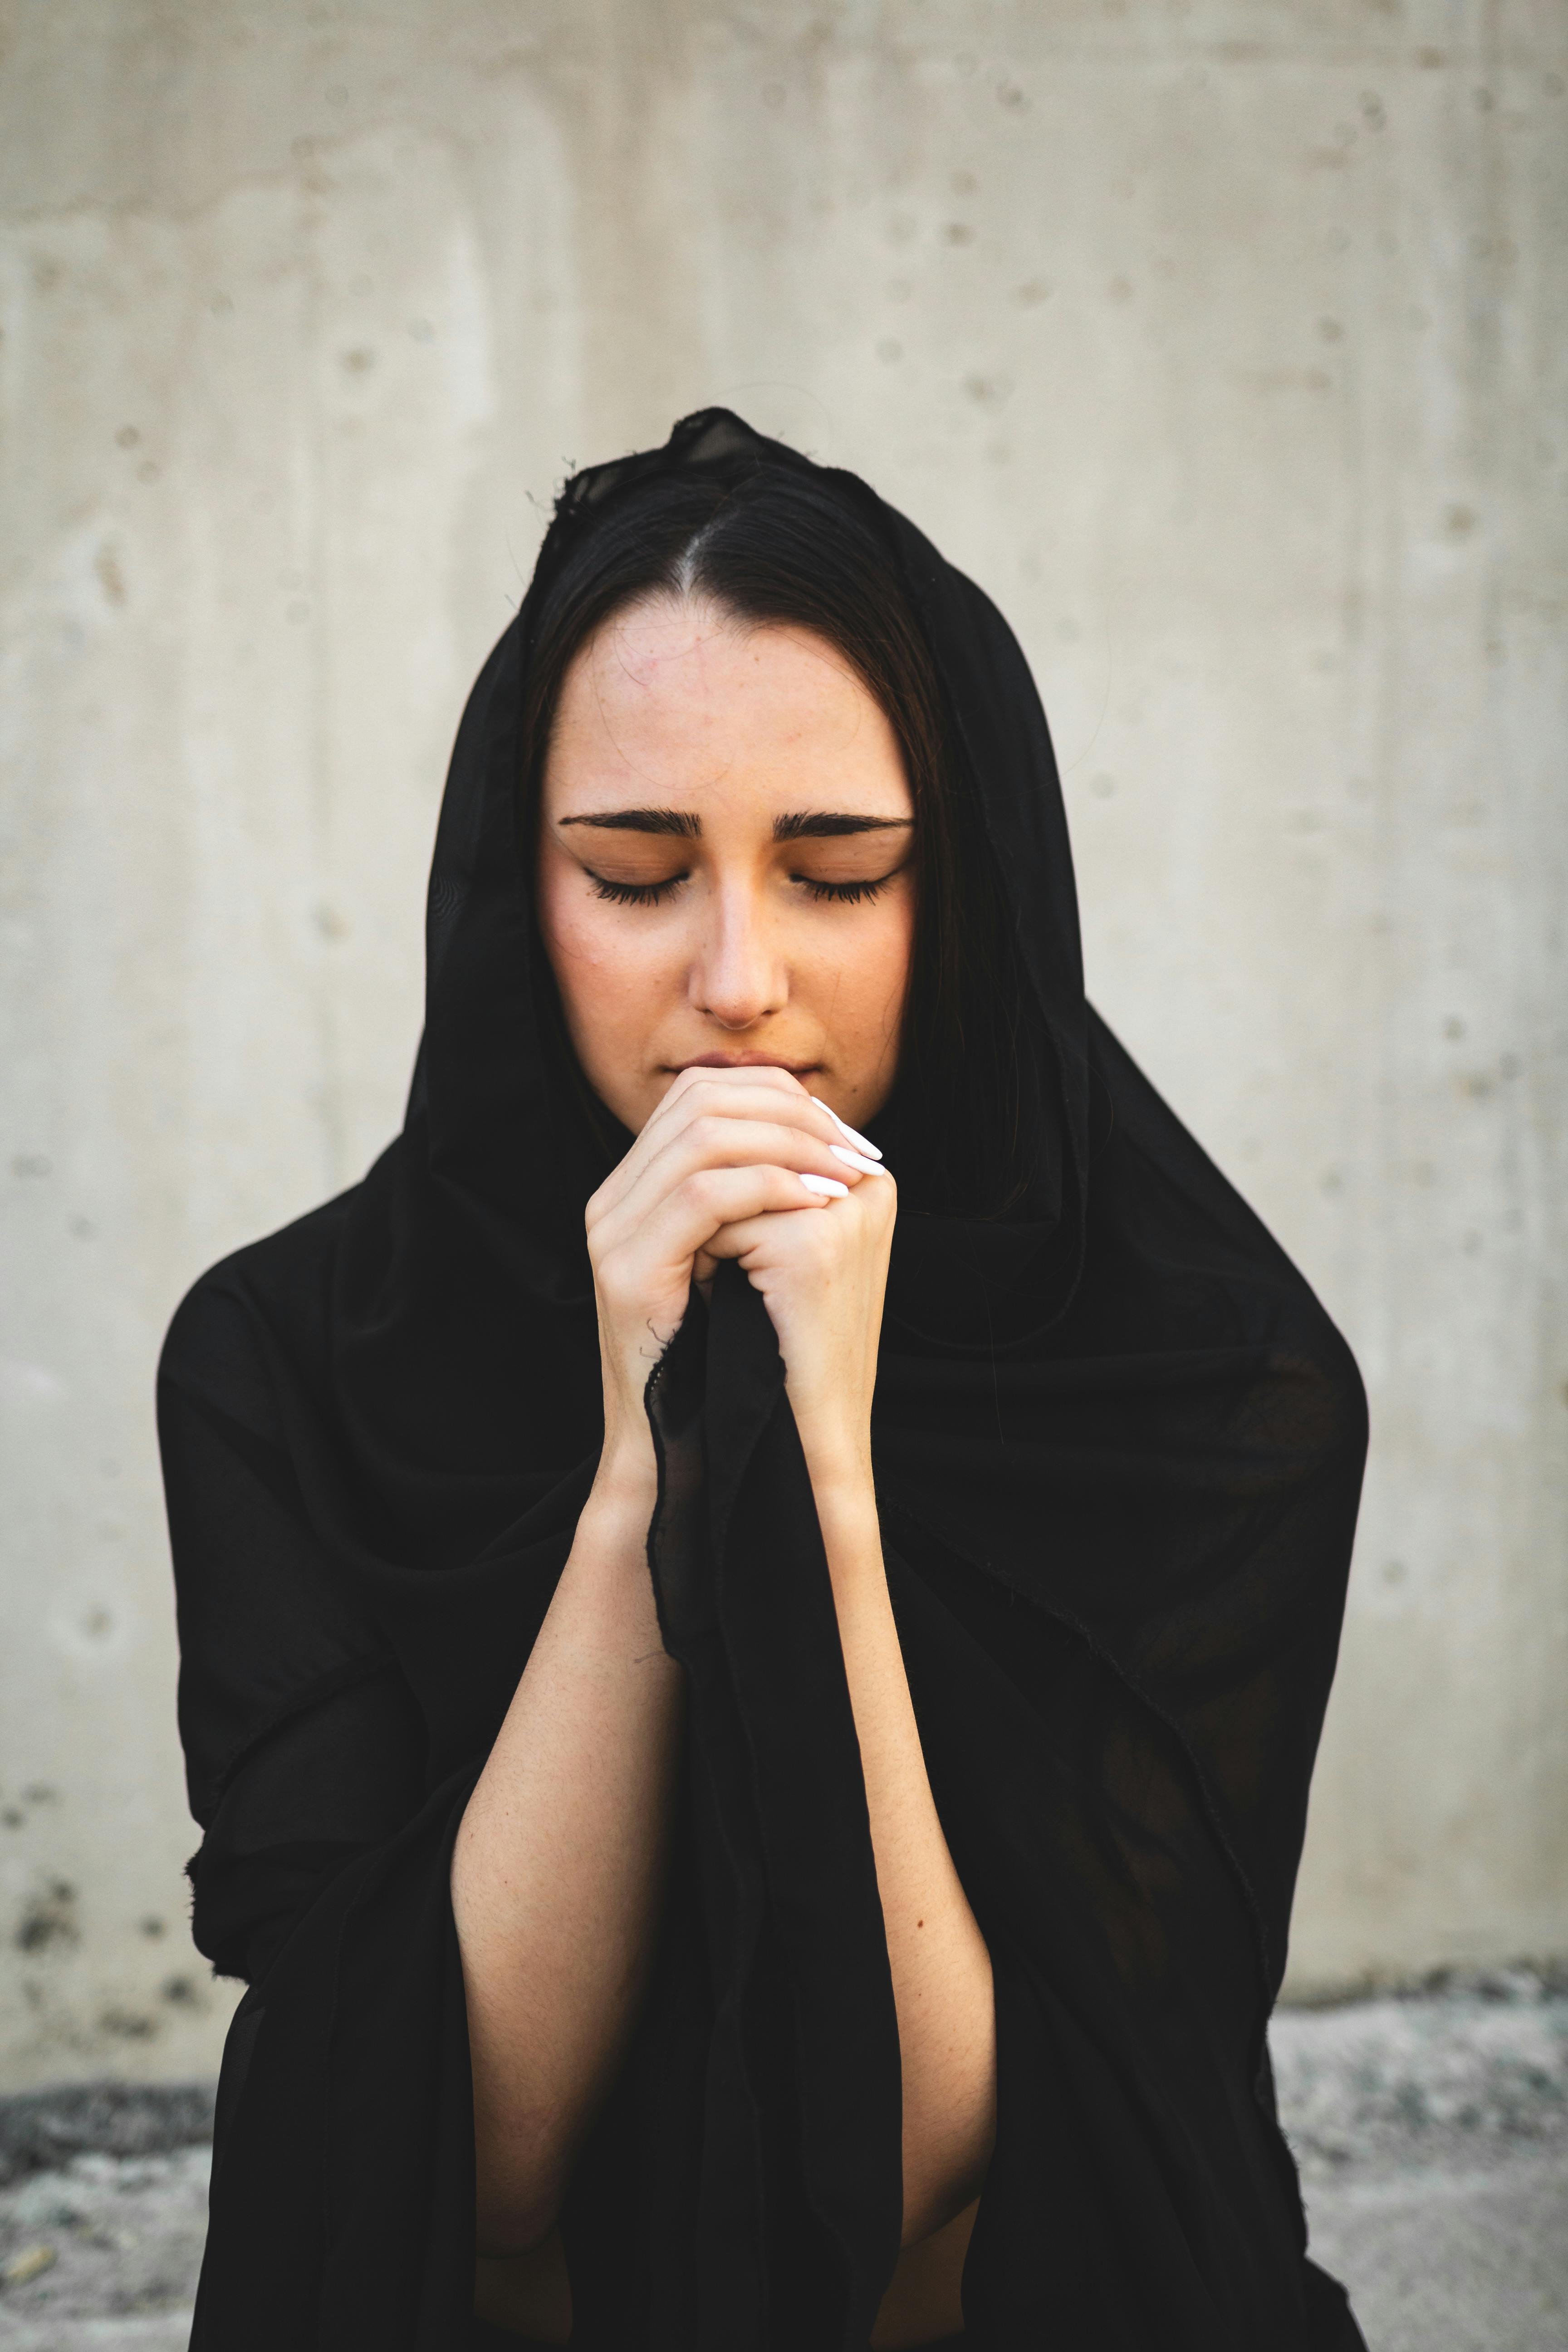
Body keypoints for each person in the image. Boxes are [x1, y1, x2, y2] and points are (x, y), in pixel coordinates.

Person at [160, 410, 1370, 2351]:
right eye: (636, 875)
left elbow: (946, 2173)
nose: (736, 977)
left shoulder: (1208, 1383)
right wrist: (646, 1474)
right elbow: (455, 2175)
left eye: (842, 871)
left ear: (963, 890)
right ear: (510, 889)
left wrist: (820, 1470)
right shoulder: (291, 1365)